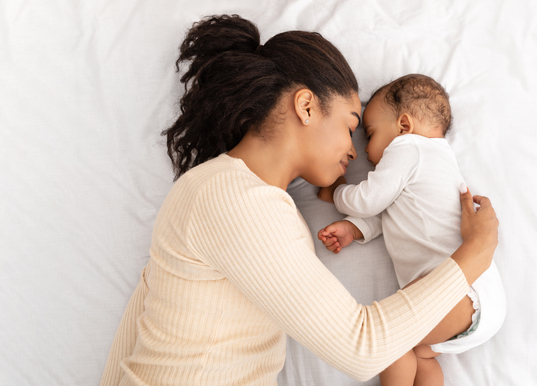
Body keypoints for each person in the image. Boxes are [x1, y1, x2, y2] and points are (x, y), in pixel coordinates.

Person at [99, 15, 498, 385]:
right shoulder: (234, 199)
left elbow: (137, 329)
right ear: (306, 106)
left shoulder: (221, 191)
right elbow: (361, 347)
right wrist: (477, 252)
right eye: (350, 125)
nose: (355, 151)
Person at [316, 74, 506, 386]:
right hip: (482, 299)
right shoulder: (439, 163)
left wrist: (337, 192)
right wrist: (355, 229)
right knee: (419, 355)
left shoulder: (408, 149)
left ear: (404, 125)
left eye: (371, 134)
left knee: (390, 339)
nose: (365, 152)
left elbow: (369, 199)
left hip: (461, 293)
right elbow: (394, 214)